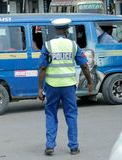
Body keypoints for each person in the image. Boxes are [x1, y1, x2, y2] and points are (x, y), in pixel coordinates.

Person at [38, 18, 93, 156]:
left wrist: (40, 88)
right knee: (71, 115)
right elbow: (85, 66)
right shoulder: (73, 45)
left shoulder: (48, 45)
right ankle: (74, 147)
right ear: (66, 30)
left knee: (51, 114)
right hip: (68, 86)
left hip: (52, 86)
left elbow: (43, 68)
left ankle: (50, 145)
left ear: (56, 30)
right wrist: (90, 82)